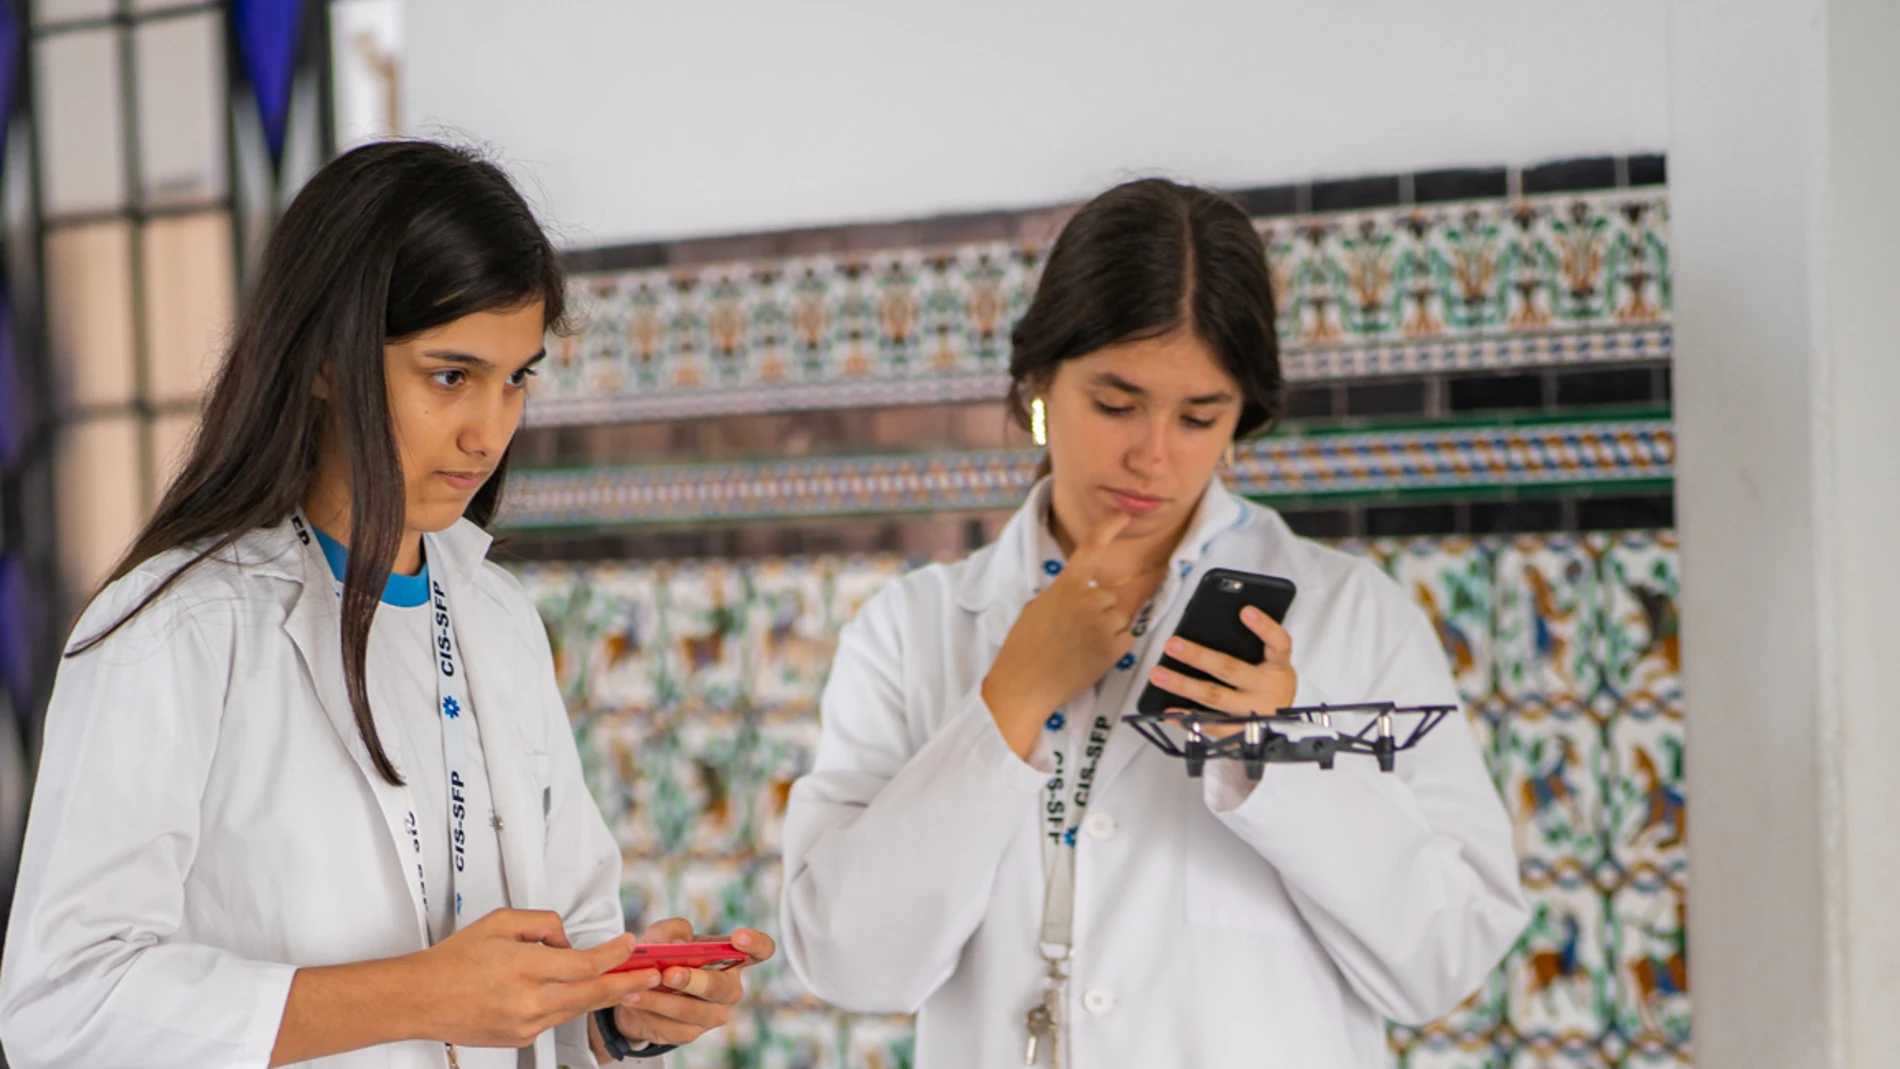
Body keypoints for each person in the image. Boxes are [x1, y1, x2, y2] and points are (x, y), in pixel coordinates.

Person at [0, 140, 774, 1069]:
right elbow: (62, 1004)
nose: (489, 430)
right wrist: (418, 993)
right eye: (450, 376)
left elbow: (555, 954)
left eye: (516, 378)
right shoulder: (177, 627)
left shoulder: (496, 618)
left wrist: (617, 1010)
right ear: (325, 360)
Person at [779, 178, 1527, 1067]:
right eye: (1116, 403)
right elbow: (848, 963)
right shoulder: (913, 627)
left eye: (1200, 415)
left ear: (1241, 417)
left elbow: (1446, 960)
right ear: (1039, 384)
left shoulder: (1353, 617)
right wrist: (1008, 704)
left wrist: (1275, 751)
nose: (1153, 454)